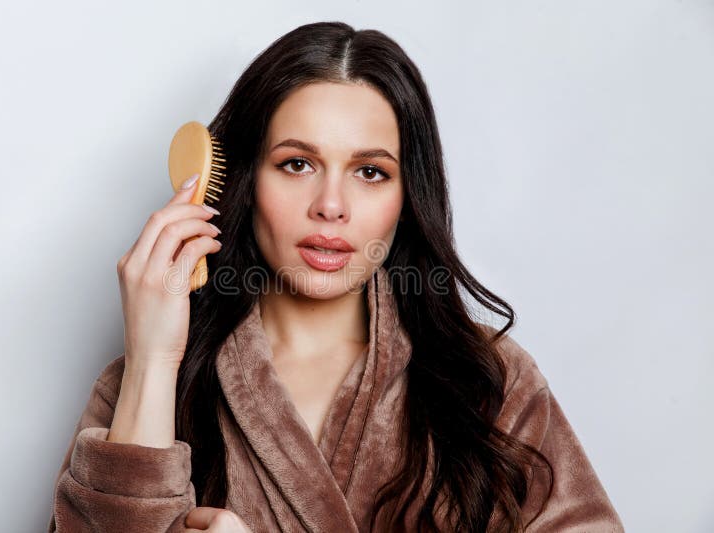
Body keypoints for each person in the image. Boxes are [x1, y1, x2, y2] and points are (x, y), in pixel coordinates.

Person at [48, 21, 624, 532]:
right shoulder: (144, 385)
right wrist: (152, 361)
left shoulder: (490, 383)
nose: (331, 205)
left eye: (370, 172)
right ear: (241, 180)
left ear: (408, 197)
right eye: (297, 164)